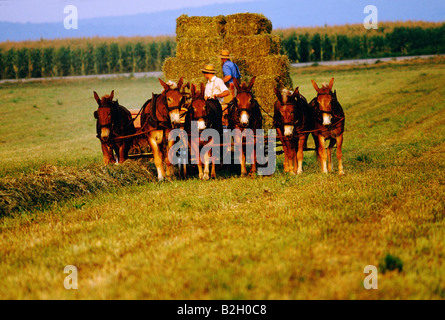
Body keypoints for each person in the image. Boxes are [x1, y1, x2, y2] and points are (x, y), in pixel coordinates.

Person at [219, 50, 241, 128]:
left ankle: (225, 123)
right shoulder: (234, 64)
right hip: (237, 87)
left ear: (222, 59)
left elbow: (228, 76)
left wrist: (219, 82)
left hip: (231, 87)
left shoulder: (225, 65)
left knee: (224, 105)